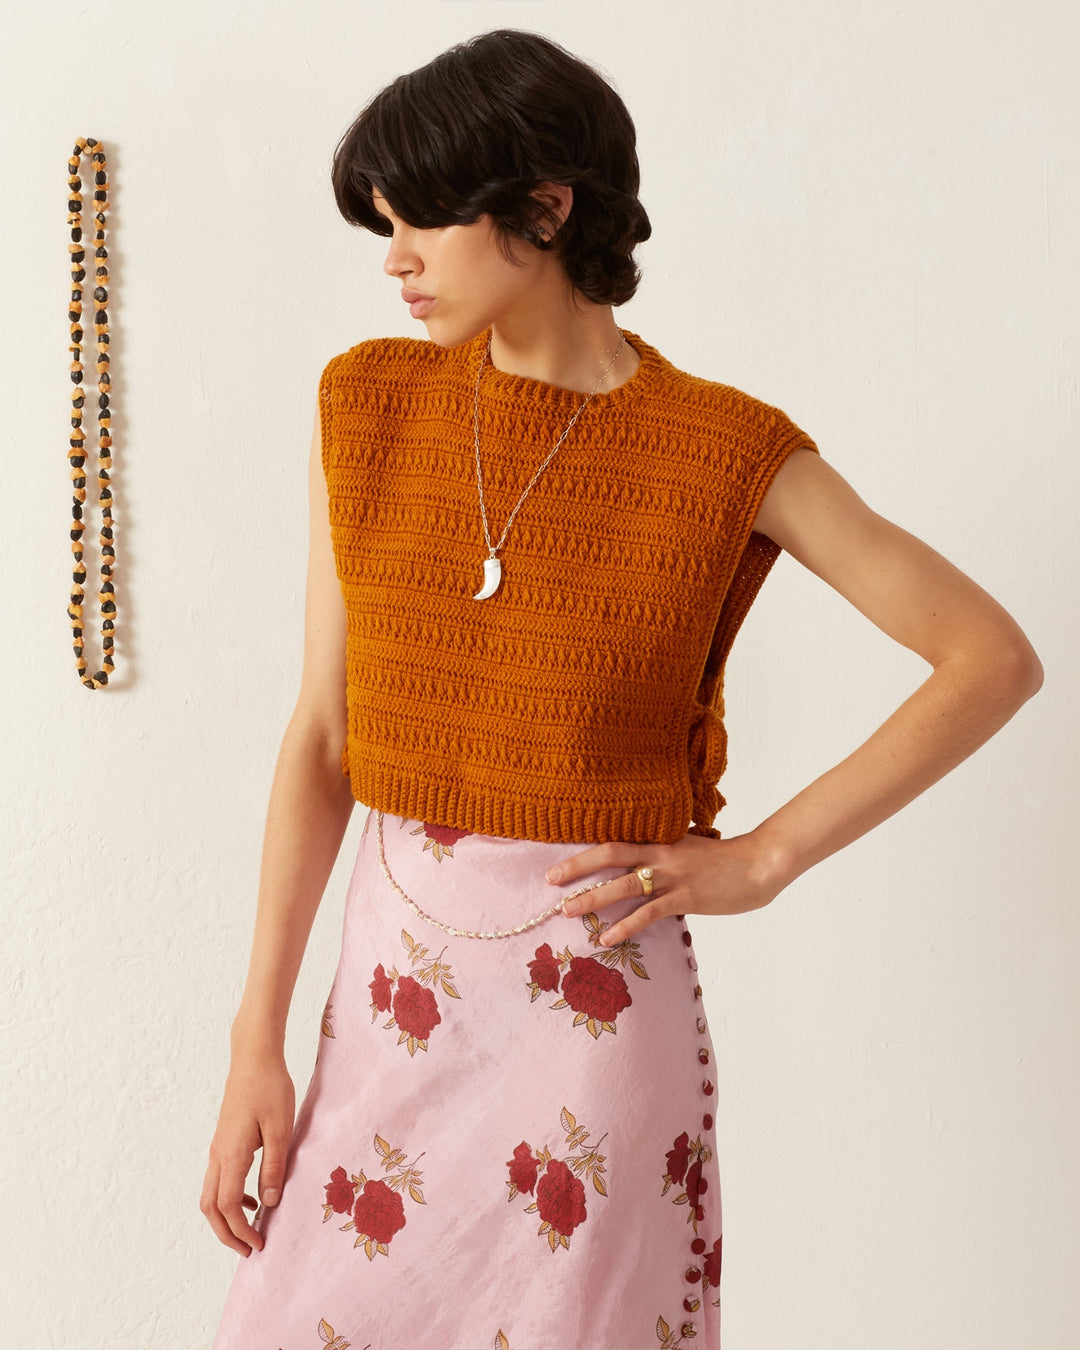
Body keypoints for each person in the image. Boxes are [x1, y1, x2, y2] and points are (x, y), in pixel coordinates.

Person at [202, 27, 1042, 1350]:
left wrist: (763, 858)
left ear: (546, 205)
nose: (397, 257)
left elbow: (991, 656)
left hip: (589, 1038)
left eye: (425, 218)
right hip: (387, 1010)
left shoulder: (723, 452)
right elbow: (322, 740)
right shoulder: (363, 408)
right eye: (383, 223)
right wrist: (258, 1035)